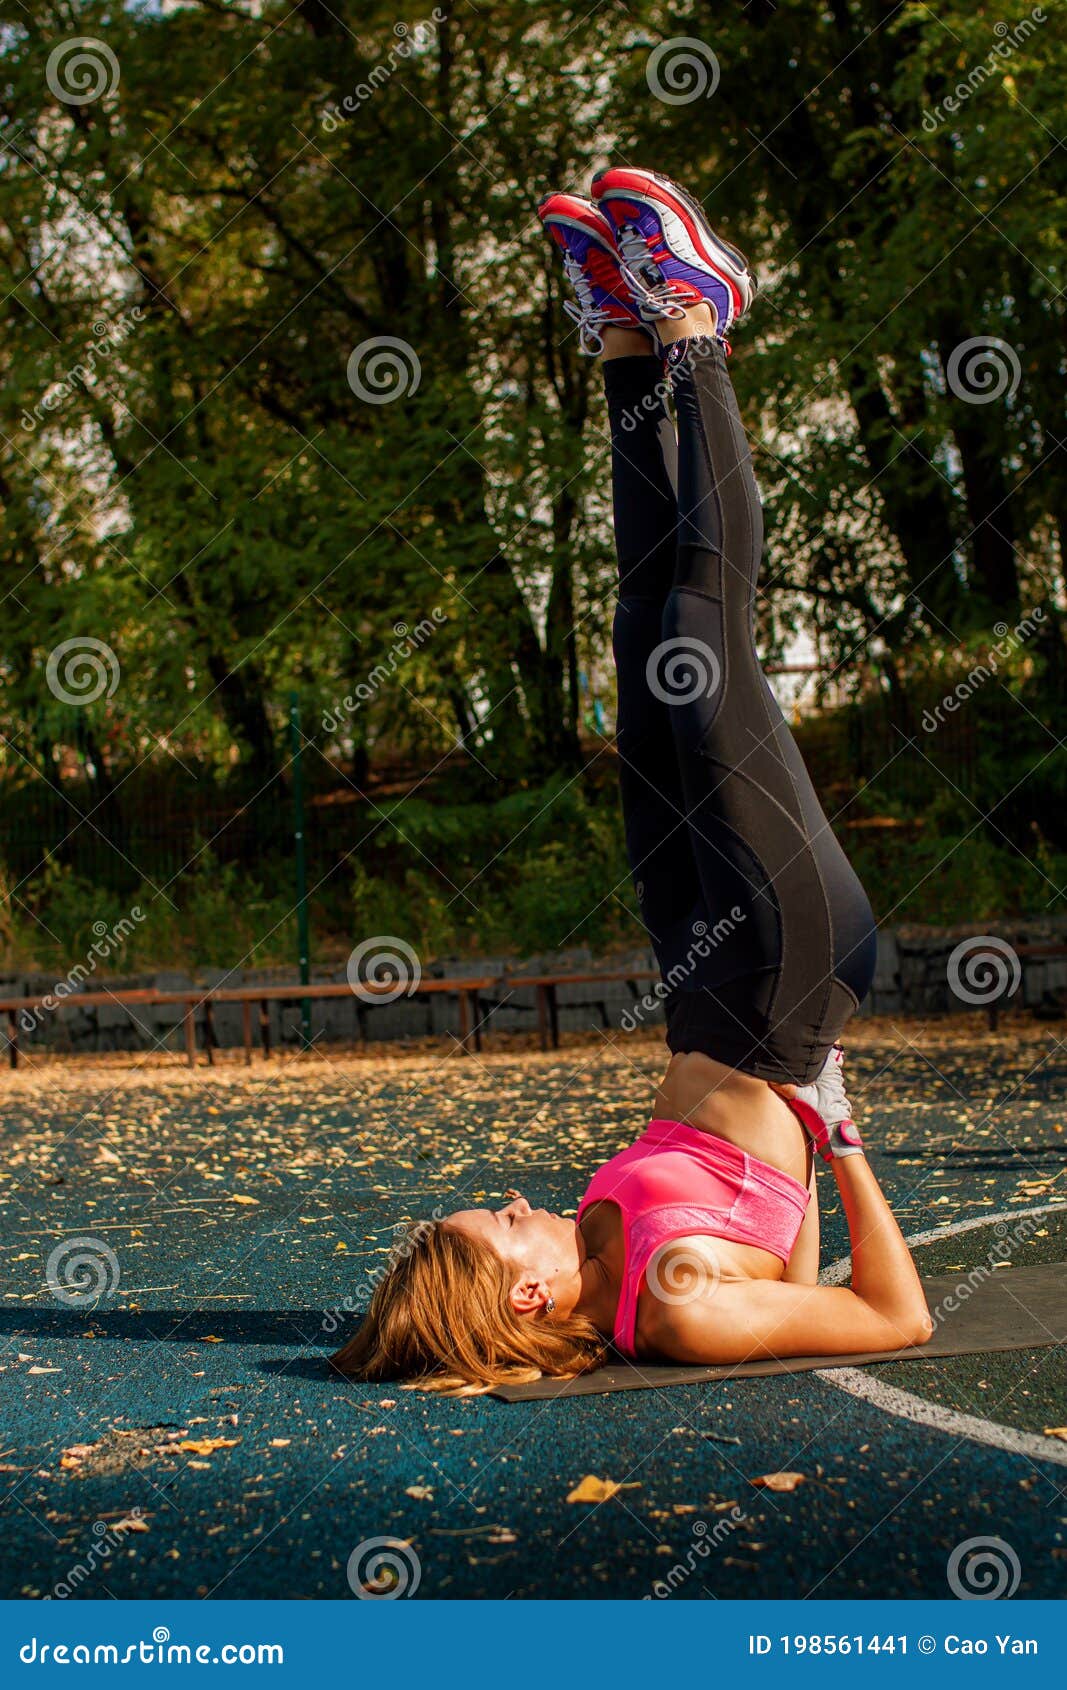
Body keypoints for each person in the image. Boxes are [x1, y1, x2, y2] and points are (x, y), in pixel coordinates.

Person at [332, 167, 932, 1393]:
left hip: (702, 978)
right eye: (493, 1228)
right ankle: (693, 323)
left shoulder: (619, 1258)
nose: (507, 1199)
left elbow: (785, 1264)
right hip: (783, 980)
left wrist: (792, 1184)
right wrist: (836, 1125)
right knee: (705, 652)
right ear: (528, 1295)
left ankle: (619, 331)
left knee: (645, 648)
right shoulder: (674, 1311)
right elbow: (887, 1316)